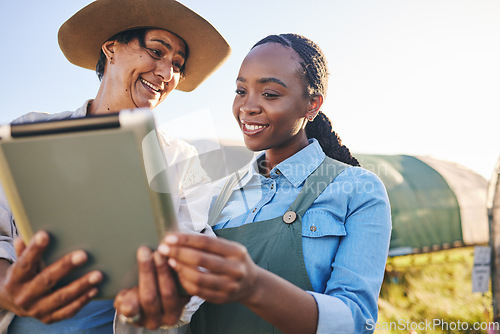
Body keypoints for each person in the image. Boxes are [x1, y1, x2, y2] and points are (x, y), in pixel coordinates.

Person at [115, 34, 392, 333]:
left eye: (270, 94)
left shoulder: (357, 189)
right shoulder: (212, 195)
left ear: (312, 104)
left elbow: (357, 321)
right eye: (240, 90)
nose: (248, 107)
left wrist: (255, 287)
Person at [0, 0, 230, 333]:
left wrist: (171, 295)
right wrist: (6, 283)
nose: (167, 74)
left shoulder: (184, 161)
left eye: (177, 64)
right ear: (111, 48)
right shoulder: (28, 132)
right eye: (156, 51)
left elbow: (190, 256)